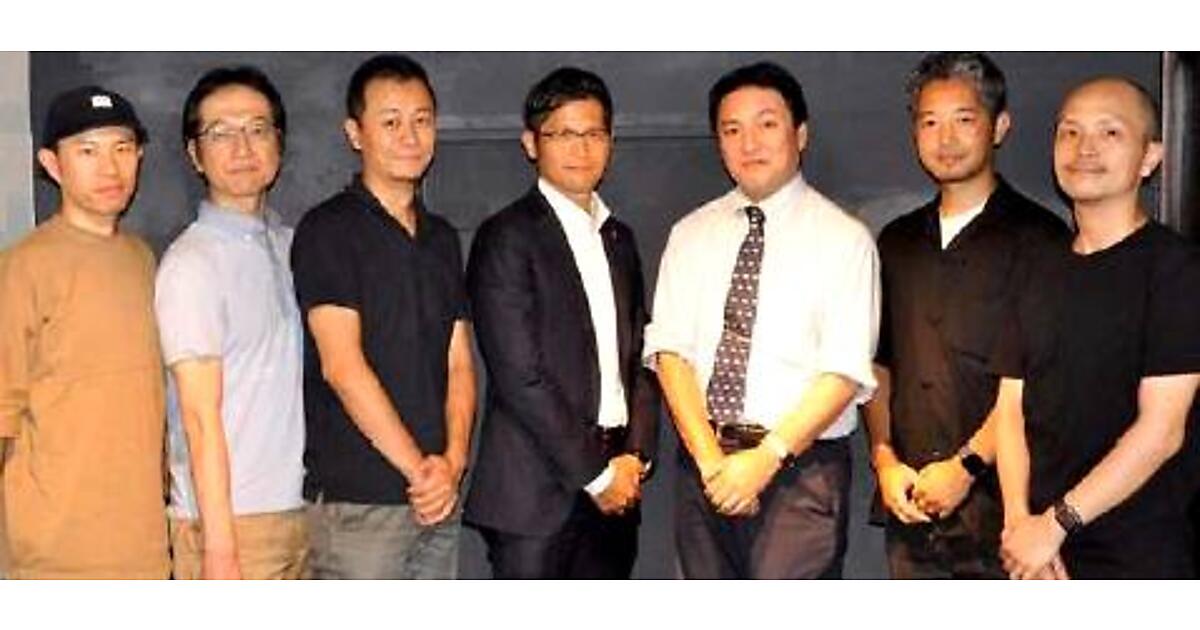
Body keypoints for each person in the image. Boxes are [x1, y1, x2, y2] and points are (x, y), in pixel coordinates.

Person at [644, 61, 879, 579]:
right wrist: (712, 463)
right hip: (704, 465)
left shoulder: (844, 239)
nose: (749, 143)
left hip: (801, 472)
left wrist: (765, 459)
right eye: (732, 130)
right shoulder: (690, 234)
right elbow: (670, 354)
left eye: (766, 124)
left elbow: (843, 371)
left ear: (801, 134)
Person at [863, 52, 1069, 578]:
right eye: (930, 122)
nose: (945, 138)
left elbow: (1039, 381)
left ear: (999, 127)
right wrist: (885, 460)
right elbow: (880, 364)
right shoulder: (897, 241)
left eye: (964, 119)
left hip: (1008, 518)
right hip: (911, 514)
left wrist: (966, 466)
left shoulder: (1042, 239)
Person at [995, 77, 1200, 579]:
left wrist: (1057, 523)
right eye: (1070, 131)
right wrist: (1019, 523)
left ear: (1150, 157)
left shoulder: (1175, 269)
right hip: (1038, 555)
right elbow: (1010, 409)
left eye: (1110, 132)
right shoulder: (1034, 268)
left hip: (1138, 554)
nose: (1084, 147)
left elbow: (1162, 431)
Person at [463, 67, 659, 579]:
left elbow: (641, 356)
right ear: (531, 144)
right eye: (563, 134)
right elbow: (519, 375)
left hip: (618, 483)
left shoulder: (619, 239)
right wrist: (596, 475)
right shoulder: (507, 236)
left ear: (610, 141)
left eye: (593, 133)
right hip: (534, 495)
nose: (581, 148)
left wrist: (635, 455)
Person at [290, 54, 476, 579]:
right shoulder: (329, 231)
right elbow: (342, 367)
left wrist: (453, 462)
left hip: (439, 495)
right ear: (356, 133)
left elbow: (460, 362)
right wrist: (420, 470)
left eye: (422, 120)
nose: (409, 136)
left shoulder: (441, 238)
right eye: (390, 122)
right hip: (359, 506)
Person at [0, 86, 169, 578]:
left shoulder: (143, 260)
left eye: (122, 148)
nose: (109, 168)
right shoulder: (22, 268)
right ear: (52, 164)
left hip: (144, 545)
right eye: (87, 151)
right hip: (54, 554)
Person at [155, 66, 307, 579]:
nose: (243, 148)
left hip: (298, 512)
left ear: (279, 143)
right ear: (195, 154)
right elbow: (198, 417)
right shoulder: (192, 263)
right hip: (229, 525)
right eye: (221, 132)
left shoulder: (290, 246)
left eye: (257, 129)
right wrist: (219, 551)